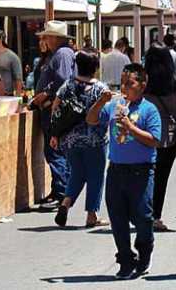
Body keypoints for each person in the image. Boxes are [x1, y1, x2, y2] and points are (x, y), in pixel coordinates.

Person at [88, 63, 161, 279]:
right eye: (123, 83)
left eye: (130, 83)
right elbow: (91, 120)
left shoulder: (149, 109)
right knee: (117, 219)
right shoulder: (114, 106)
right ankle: (126, 260)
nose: (125, 88)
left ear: (142, 85)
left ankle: (144, 251)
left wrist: (131, 128)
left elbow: (155, 140)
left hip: (141, 172)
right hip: (117, 170)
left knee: (143, 218)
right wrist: (101, 102)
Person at [51, 50, 109, 229]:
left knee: (77, 173)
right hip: (95, 140)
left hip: (70, 140)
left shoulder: (68, 85)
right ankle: (92, 214)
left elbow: (56, 108)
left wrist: (55, 133)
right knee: (96, 176)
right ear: (95, 68)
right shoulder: (101, 88)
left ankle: (65, 203)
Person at [143, 42, 176, 233]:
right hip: (169, 137)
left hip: (145, 133)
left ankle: (142, 213)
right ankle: (155, 216)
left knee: (144, 175)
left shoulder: (143, 81)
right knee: (161, 178)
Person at [31, 21, 77, 208]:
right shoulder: (59, 54)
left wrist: (48, 96)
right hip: (52, 109)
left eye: (46, 36)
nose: (44, 40)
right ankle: (58, 190)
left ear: (54, 37)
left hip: (55, 111)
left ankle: (61, 193)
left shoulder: (62, 54)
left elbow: (64, 82)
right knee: (54, 152)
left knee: (54, 151)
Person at [0, 29, 23, 96]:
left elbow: (18, 79)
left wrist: (18, 98)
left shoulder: (12, 56)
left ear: (0, 39)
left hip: (6, 95)